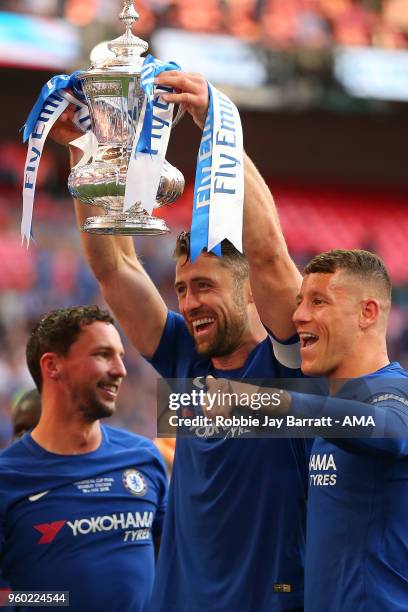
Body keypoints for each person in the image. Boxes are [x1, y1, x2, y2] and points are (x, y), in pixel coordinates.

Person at [51, 72, 309, 611]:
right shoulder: (185, 357)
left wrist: (219, 127)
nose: (188, 303)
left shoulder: (293, 363)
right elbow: (115, 267)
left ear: (251, 294)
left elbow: (268, 254)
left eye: (205, 288)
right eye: (183, 289)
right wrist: (87, 149)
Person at [208, 249, 408, 611]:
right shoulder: (325, 414)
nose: (299, 315)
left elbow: (389, 432)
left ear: (368, 313)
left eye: (318, 301)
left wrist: (264, 403)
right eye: (300, 302)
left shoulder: (393, 391)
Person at [0, 306, 168, 612]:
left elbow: (178, 566)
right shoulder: (7, 478)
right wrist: (56, 600)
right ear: (52, 366)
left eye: (119, 355)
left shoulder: (144, 458)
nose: (121, 369)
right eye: (103, 354)